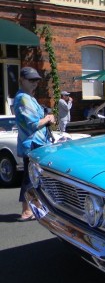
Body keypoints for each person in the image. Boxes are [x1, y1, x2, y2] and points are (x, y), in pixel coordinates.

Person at [14, 67, 55, 221]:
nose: (34, 83)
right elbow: (33, 124)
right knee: (30, 177)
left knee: (34, 177)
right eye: (31, 80)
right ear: (22, 80)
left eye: (36, 80)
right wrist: (48, 119)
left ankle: (33, 207)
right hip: (32, 144)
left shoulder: (28, 97)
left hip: (36, 143)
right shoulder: (23, 98)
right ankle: (26, 210)